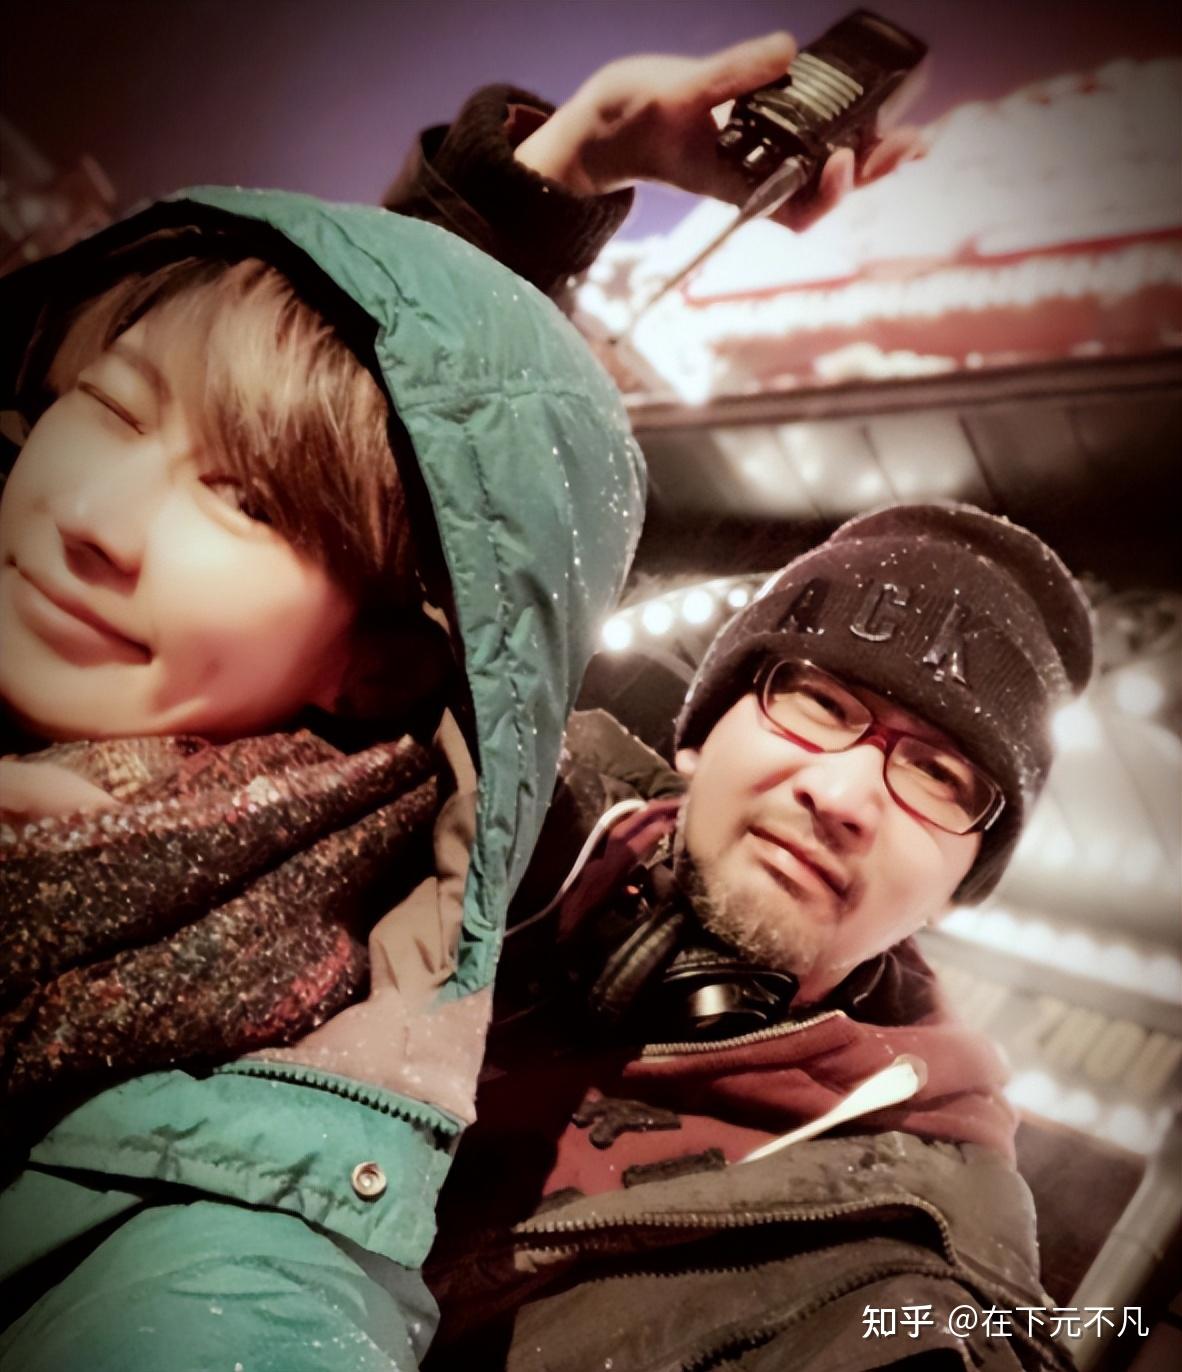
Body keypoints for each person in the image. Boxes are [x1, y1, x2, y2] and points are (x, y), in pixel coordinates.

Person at [0, 31, 915, 1372]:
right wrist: (549, 179)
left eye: (243, 504)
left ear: (384, 667)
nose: (91, 515)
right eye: (112, 409)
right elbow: (381, 402)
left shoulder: (224, 1268)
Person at [423, 503, 1092, 1372]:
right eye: (821, 701)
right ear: (702, 735)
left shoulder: (906, 1307)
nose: (843, 798)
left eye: (937, 775)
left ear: (953, 894)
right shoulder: (435, 811)